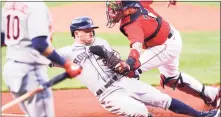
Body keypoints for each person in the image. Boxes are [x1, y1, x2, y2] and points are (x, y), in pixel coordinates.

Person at [51, 16, 220, 117]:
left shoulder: (101, 42)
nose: (91, 32)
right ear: (76, 33)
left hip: (124, 82)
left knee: (162, 99)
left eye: (92, 29)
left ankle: (202, 115)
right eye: (86, 29)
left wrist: (106, 55)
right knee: (140, 111)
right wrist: (45, 46)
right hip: (109, 94)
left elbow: (118, 65)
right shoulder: (67, 52)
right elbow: (46, 60)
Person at [105, 0, 220, 109]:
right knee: (171, 79)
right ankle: (212, 94)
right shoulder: (138, 2)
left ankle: (134, 107)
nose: (112, 12)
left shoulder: (132, 25)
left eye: (116, 9)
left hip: (165, 47)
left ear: (129, 9)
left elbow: (137, 47)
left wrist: (129, 63)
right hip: (170, 38)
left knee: (130, 71)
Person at [2, 2, 82, 117]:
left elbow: (2, 38)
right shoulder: (36, 6)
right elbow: (39, 44)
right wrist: (66, 64)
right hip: (30, 73)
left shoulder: (9, 5)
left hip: (11, 71)